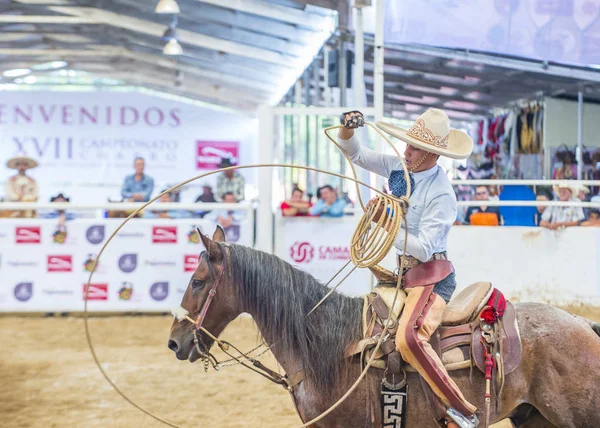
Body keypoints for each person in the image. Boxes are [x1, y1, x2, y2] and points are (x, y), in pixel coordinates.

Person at [338, 108, 478, 428]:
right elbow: (357, 154)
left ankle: (463, 410)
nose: (406, 150)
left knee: (408, 339)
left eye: (413, 148)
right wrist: (347, 130)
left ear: (430, 154)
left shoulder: (441, 194)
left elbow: (425, 248)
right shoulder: (401, 167)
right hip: (405, 275)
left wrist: (386, 221)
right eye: (407, 144)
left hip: (432, 278)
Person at [5, 154, 39, 218]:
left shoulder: (32, 181)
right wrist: (19, 198)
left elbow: (35, 194)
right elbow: (9, 194)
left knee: (28, 199)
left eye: (24, 165)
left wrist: (28, 198)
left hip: (29, 208)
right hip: (14, 208)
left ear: (27, 167)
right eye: (19, 165)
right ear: (16, 166)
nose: (22, 167)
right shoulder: (11, 180)